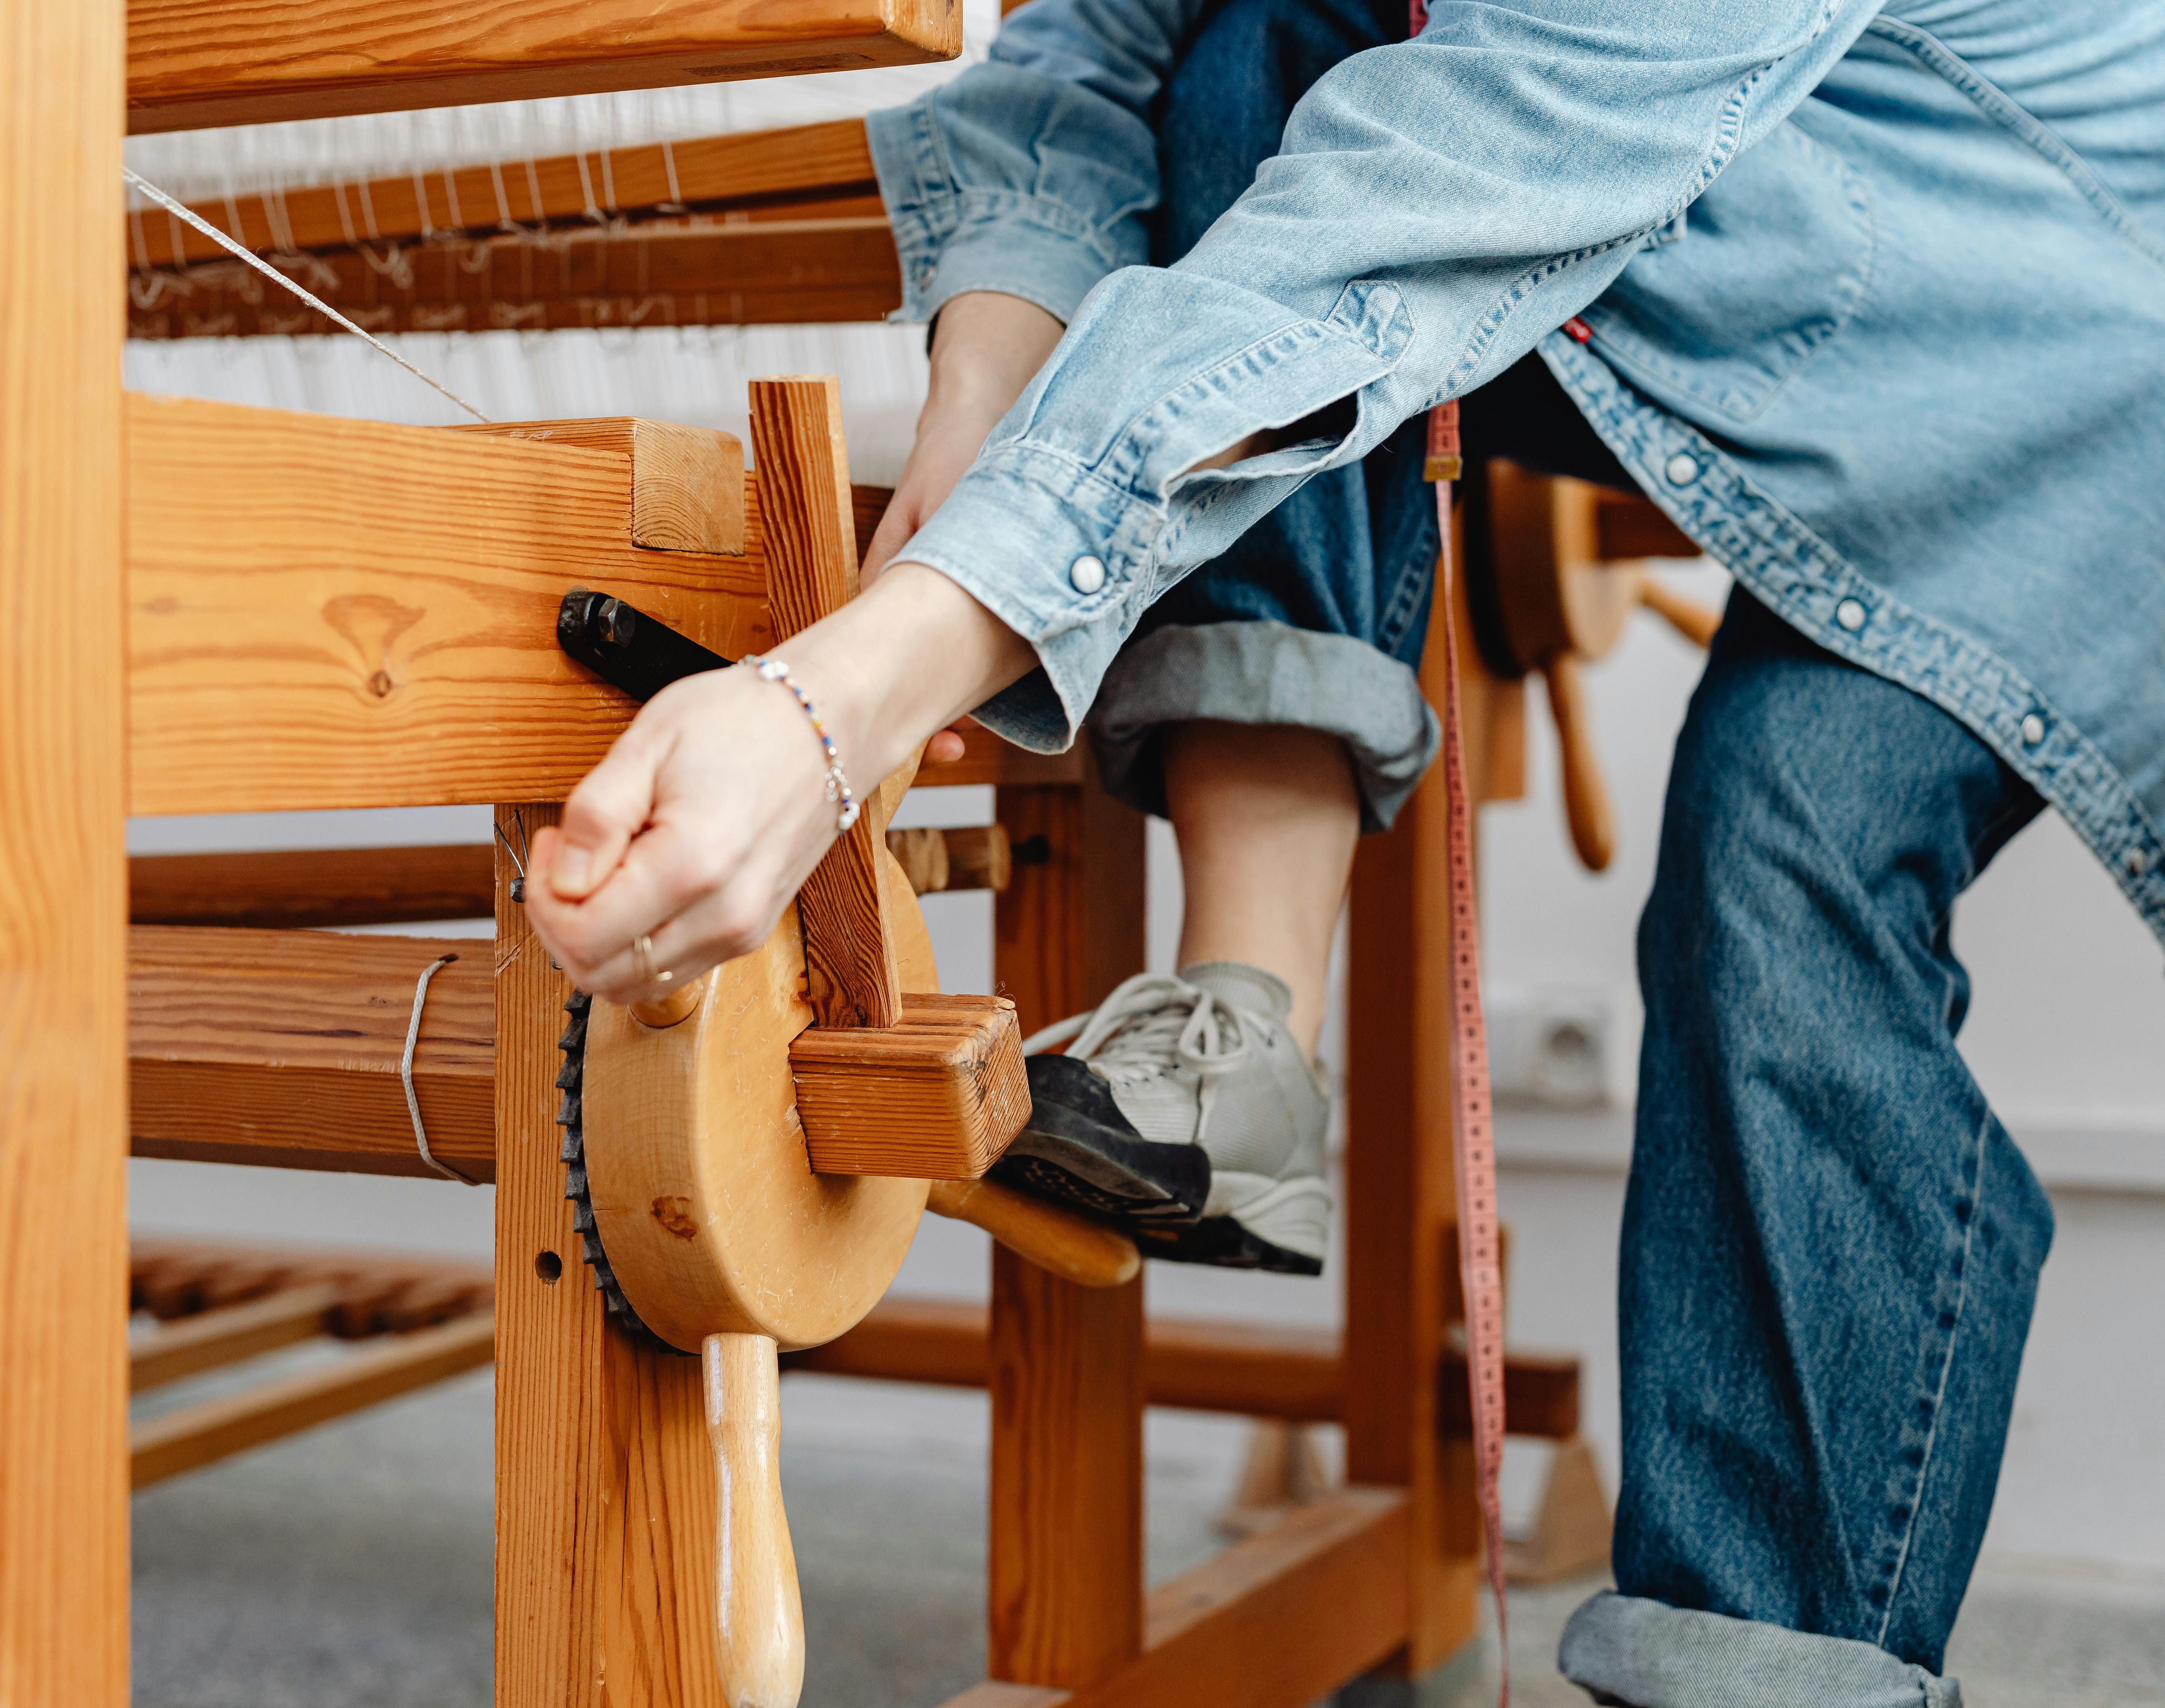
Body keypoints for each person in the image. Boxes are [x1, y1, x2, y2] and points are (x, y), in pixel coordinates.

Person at [526, 0, 2165, 1701]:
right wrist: (982, 395)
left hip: (2065, 351)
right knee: (1245, 39)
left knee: (1785, 855)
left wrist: (848, 697)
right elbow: (1084, 52)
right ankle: (1243, 1016)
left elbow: (1398, 222)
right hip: (1754, 276)